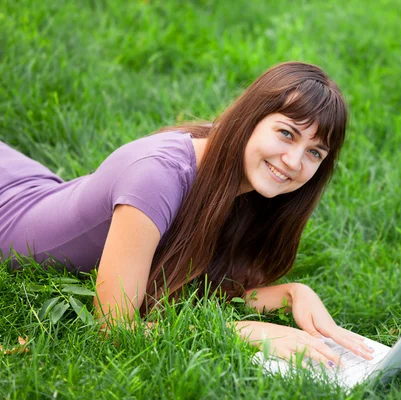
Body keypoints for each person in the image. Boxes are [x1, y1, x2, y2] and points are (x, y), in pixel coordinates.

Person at [0, 61, 374, 366]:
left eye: (314, 153)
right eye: (287, 133)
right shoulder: (157, 176)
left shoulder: (239, 179)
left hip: (34, 183)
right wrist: (244, 332)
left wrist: (293, 294)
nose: (294, 161)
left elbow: (202, 287)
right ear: (251, 118)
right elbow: (113, 328)